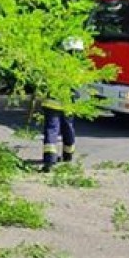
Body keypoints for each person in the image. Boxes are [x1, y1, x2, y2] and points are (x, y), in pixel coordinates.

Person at [41, 37, 82, 171]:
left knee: (52, 130)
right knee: (68, 129)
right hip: (68, 104)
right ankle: (68, 156)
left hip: (52, 103)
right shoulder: (77, 66)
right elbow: (77, 88)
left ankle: (49, 162)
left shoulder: (54, 62)